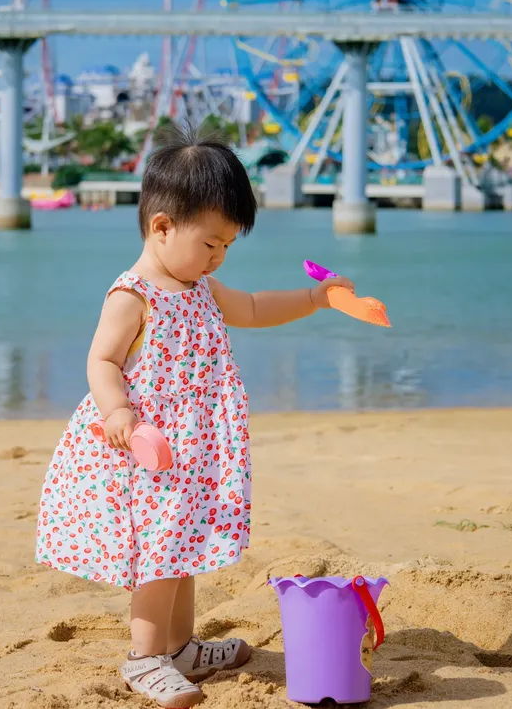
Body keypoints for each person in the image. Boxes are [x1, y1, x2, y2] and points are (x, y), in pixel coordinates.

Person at [35, 124, 355, 708]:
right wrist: (120, 414)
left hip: (195, 448)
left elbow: (255, 308)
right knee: (158, 556)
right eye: (211, 243)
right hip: (146, 448)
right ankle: (145, 658)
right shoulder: (134, 295)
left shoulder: (200, 287)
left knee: (183, 549)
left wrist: (316, 297)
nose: (219, 257)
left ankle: (181, 648)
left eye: (228, 246)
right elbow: (102, 359)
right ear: (162, 227)